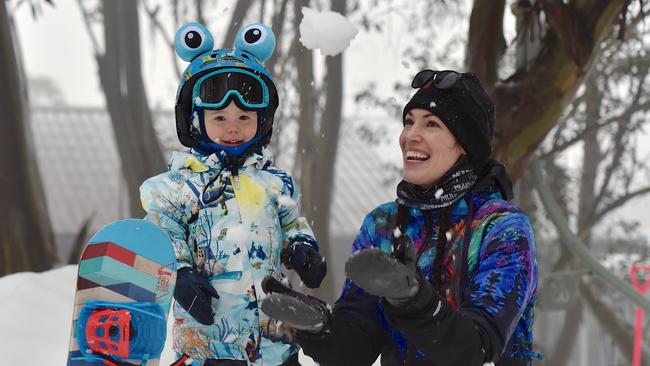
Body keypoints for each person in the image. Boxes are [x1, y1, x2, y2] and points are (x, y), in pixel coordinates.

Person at [261, 69, 541, 366]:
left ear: (465, 145)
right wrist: (319, 327)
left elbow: (475, 351)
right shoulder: (384, 224)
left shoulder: (501, 228)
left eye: (431, 124)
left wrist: (412, 298)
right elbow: (356, 348)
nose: (411, 136)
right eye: (408, 122)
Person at [140, 22, 326, 366]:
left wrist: (302, 247)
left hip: (275, 345)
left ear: (262, 121)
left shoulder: (273, 184)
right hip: (209, 345)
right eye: (219, 117)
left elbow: (292, 223)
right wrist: (181, 273)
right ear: (195, 120)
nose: (233, 127)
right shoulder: (178, 188)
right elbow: (162, 234)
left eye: (244, 116)